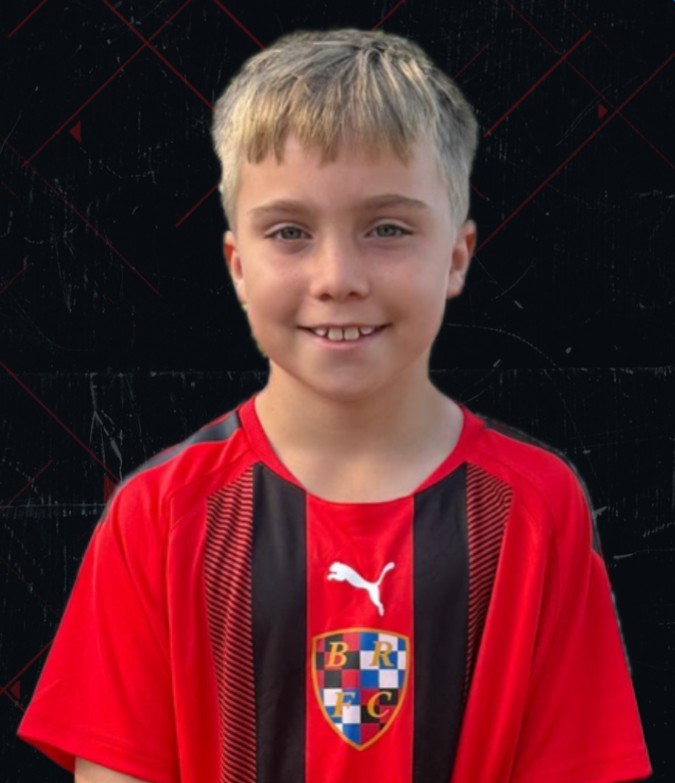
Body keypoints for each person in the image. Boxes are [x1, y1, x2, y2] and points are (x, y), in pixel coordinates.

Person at [17, 28, 652, 783]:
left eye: (387, 229)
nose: (337, 277)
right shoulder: (157, 513)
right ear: (237, 265)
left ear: (457, 257)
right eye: (290, 231)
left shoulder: (538, 506)